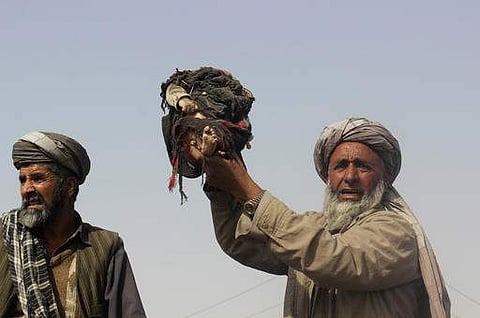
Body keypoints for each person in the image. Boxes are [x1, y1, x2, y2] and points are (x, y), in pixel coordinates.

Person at [188, 117, 450, 317]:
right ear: (327, 177)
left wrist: (245, 186)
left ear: (385, 177)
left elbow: (333, 258)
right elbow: (241, 240)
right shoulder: (319, 228)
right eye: (340, 166)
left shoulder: (395, 232)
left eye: (363, 166)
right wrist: (217, 174)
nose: (350, 177)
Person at [0, 131, 147, 318]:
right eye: (23, 180)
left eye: (38, 178)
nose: (27, 189)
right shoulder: (6, 237)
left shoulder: (104, 247)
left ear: (69, 186)